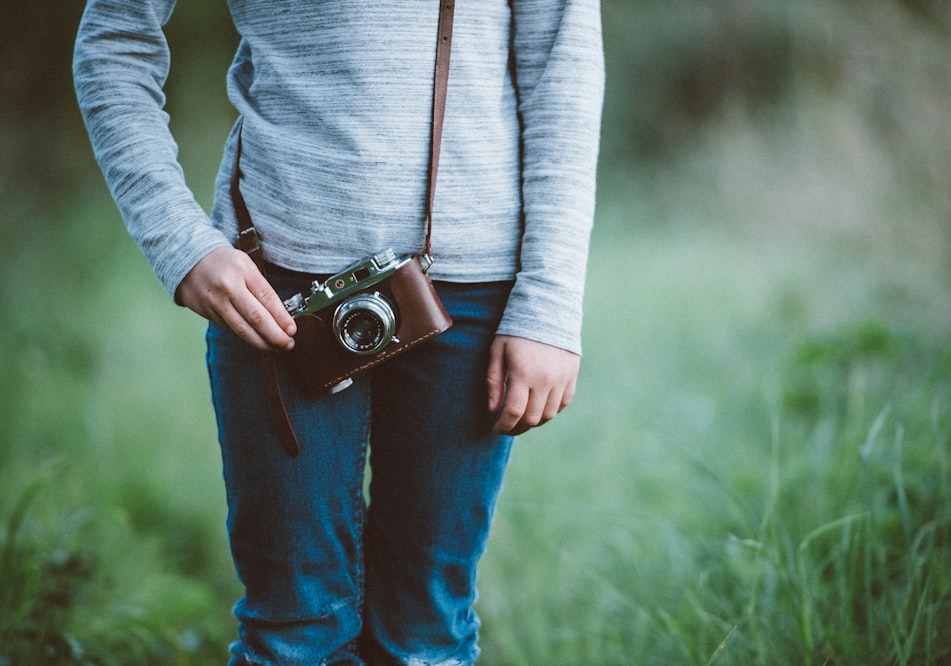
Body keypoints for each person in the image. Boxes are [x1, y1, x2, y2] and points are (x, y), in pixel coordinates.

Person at [73, 0, 604, 663]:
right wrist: (180, 244)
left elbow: (562, 68)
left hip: (473, 290)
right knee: (295, 634)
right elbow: (114, 39)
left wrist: (549, 304)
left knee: (425, 638)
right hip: (276, 290)